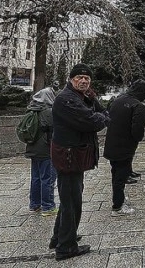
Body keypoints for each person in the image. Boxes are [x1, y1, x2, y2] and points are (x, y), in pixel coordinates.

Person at [49, 63, 109, 261]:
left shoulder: (84, 97)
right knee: (71, 201)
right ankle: (66, 247)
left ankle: (60, 236)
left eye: (87, 78)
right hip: (68, 156)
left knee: (71, 198)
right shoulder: (66, 99)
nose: (83, 81)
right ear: (71, 79)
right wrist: (99, 117)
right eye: (79, 78)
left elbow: (102, 113)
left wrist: (98, 114)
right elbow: (92, 121)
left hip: (74, 155)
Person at [103, 80, 145, 217]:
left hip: (112, 144)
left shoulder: (117, 100)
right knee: (121, 177)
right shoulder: (138, 106)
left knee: (115, 174)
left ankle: (119, 198)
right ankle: (117, 206)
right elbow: (137, 132)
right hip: (125, 147)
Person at [25, 87, 57, 217]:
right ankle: (48, 206)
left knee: (36, 178)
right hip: (46, 150)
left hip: (33, 149)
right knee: (48, 178)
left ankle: (34, 204)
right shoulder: (49, 112)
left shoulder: (31, 111)